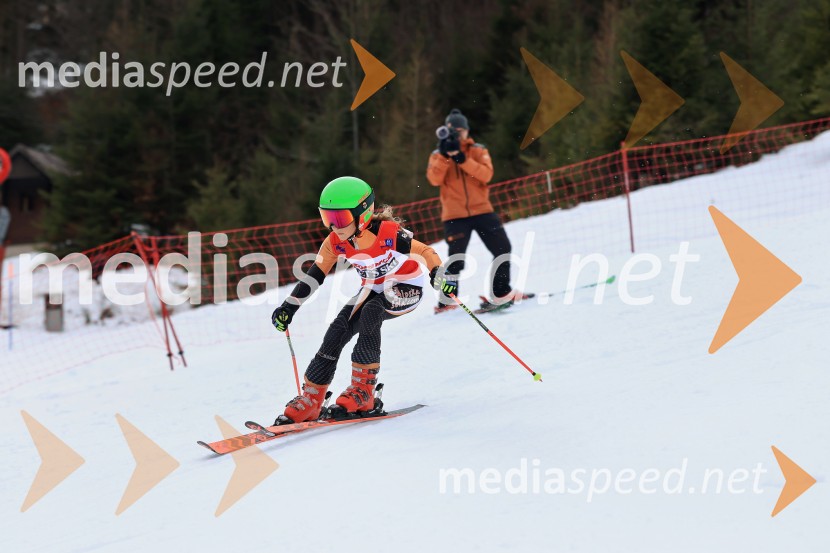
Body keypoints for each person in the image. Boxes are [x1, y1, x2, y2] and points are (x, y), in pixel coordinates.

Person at [270, 176, 457, 423]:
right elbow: (314, 276)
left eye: (340, 219)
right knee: (338, 328)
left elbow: (425, 251)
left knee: (371, 310)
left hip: (406, 288)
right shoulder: (335, 241)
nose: (334, 226)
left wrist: (438, 273)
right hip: (373, 288)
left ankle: (363, 391)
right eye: (328, 218)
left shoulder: (387, 233)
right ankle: (312, 398)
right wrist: (289, 307)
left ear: (363, 214)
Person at [426, 108, 527, 313]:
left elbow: (486, 175)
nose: (456, 135)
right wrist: (445, 157)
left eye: (460, 131)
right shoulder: (437, 154)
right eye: (452, 131)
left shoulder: (478, 150)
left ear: (467, 131)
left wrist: (462, 159)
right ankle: (446, 302)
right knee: (456, 260)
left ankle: (501, 292)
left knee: (502, 248)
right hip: (455, 215)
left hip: (482, 210)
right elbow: (434, 179)